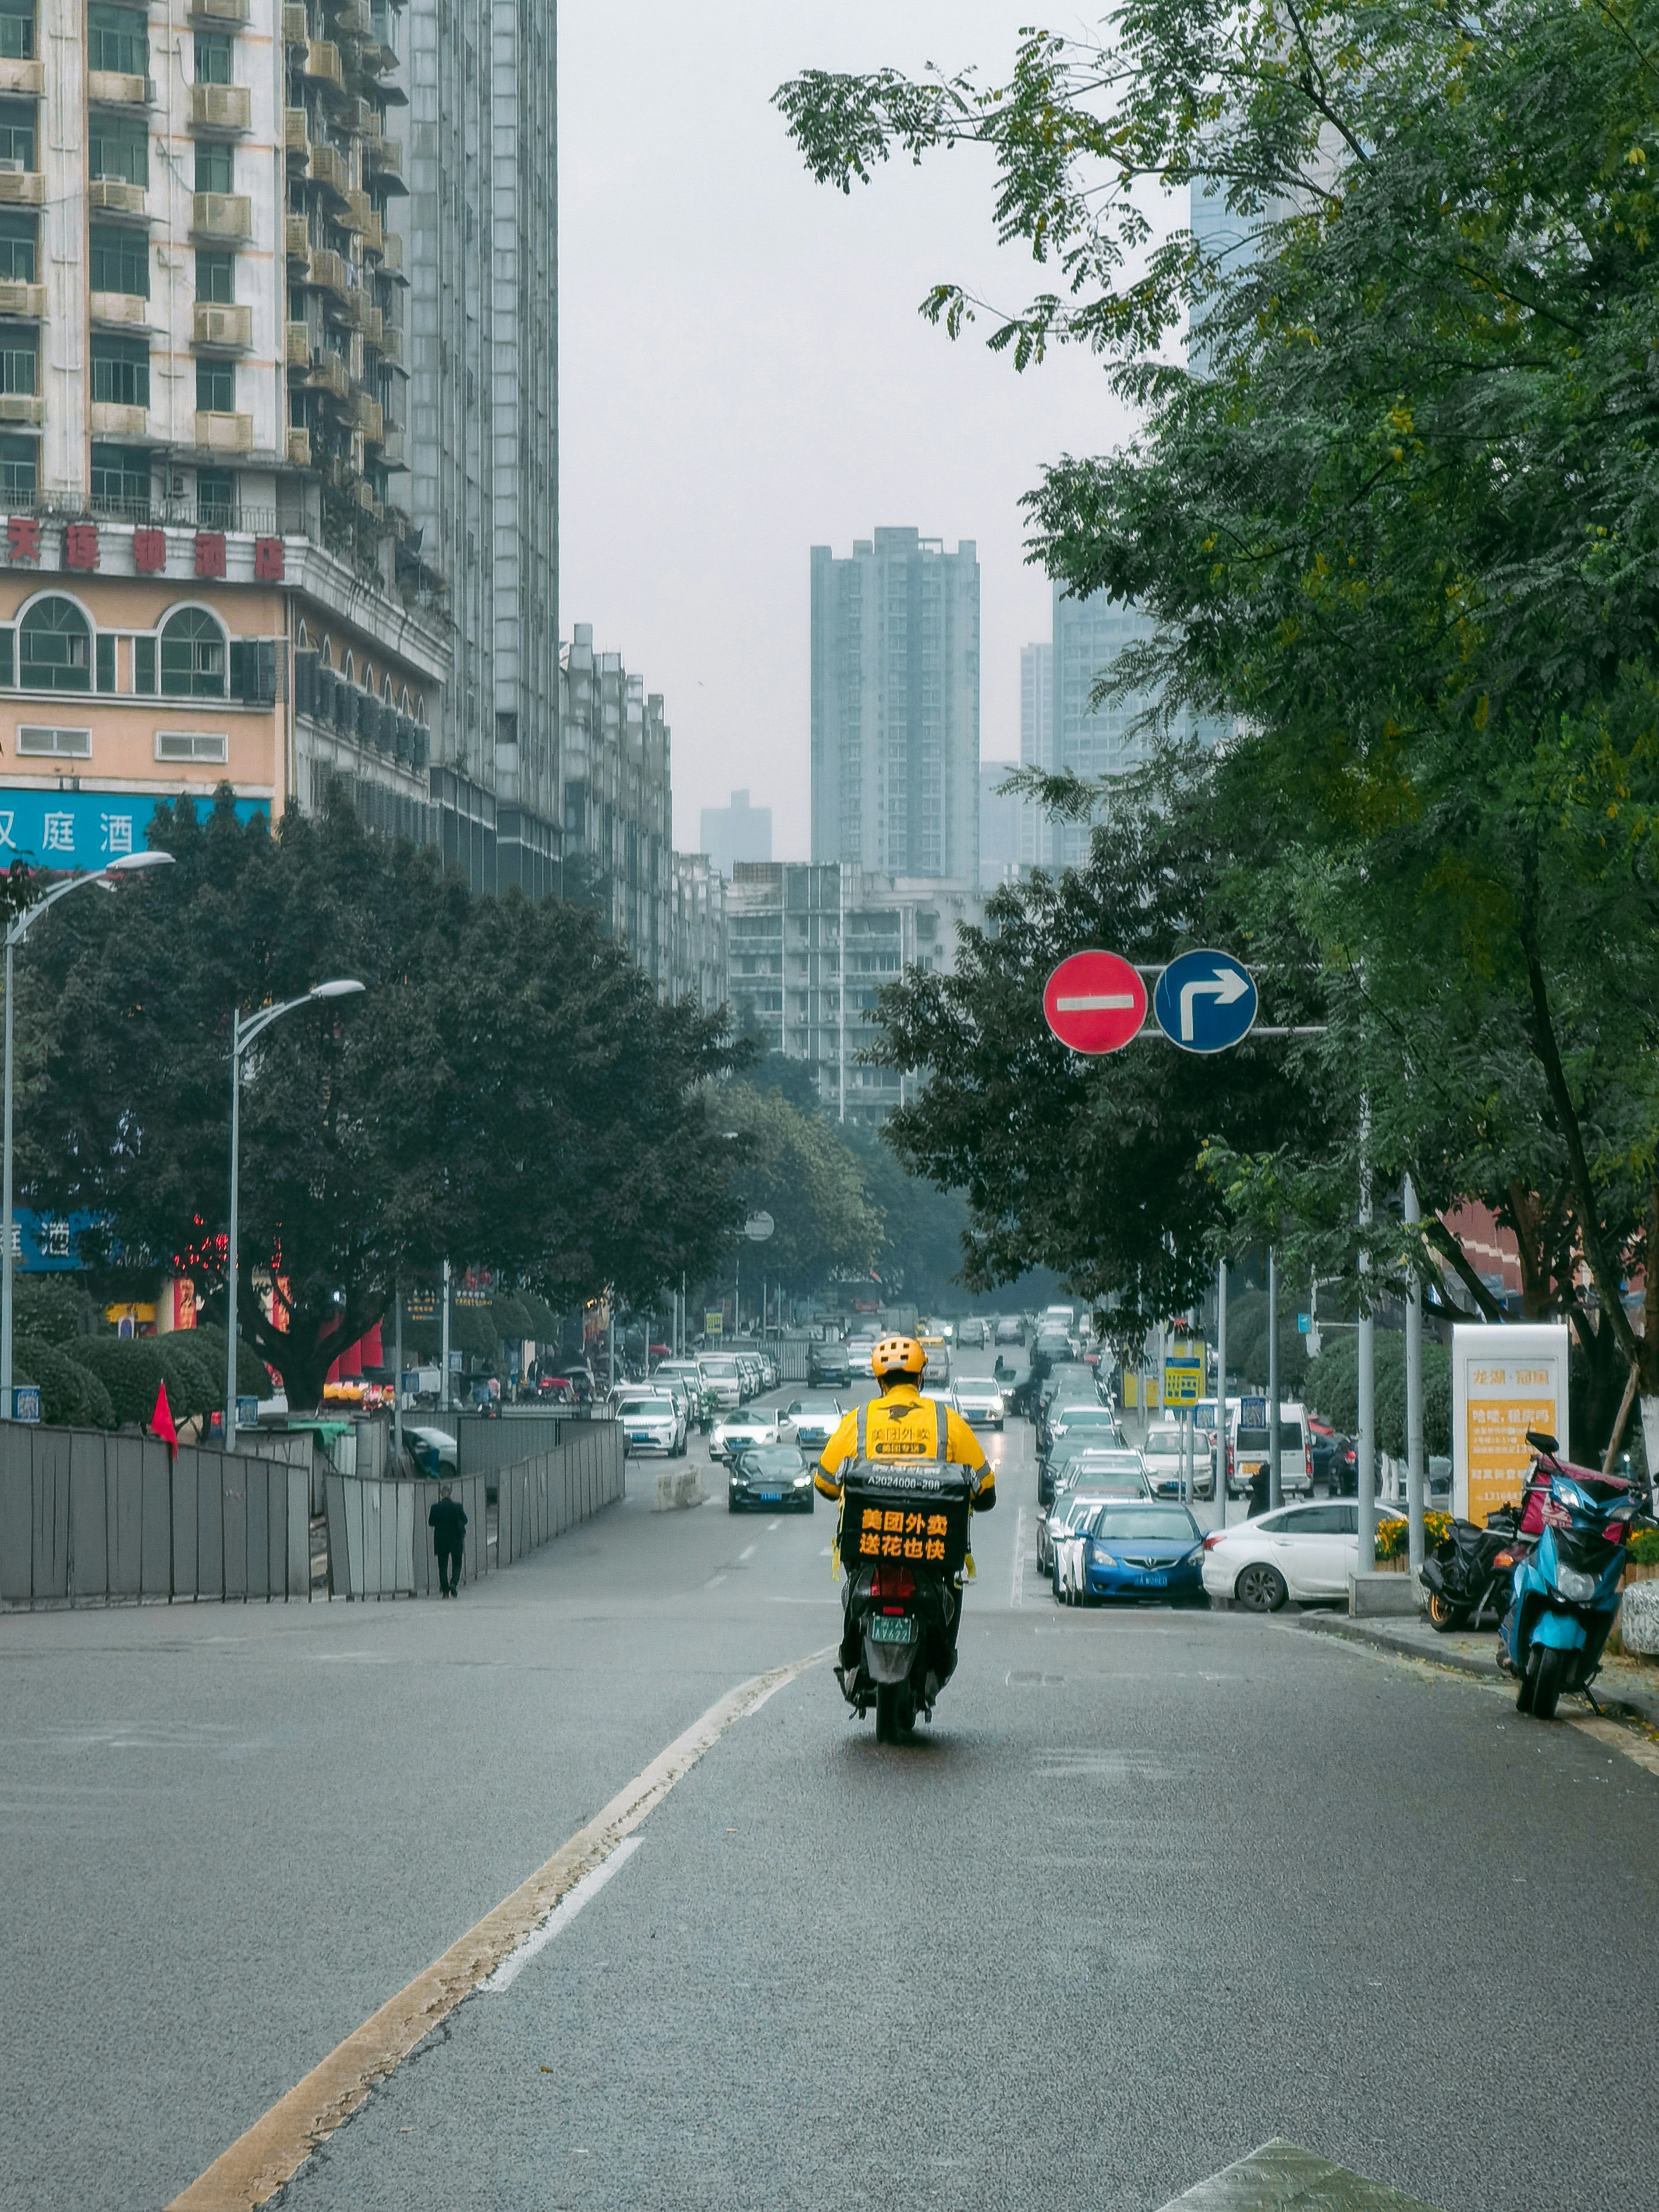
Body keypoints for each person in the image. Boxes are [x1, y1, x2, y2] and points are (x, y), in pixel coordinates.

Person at [814, 1335, 995, 1693]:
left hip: (868, 1546)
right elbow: (985, 1489)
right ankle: (939, 1665)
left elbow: (824, 1483)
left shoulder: (859, 1420)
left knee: (852, 1591)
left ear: (880, 1381)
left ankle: (851, 1658)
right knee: (953, 1590)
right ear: (920, 1378)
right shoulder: (947, 1422)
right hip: (932, 1553)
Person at [428, 1481, 467, 1598]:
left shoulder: (435, 1508)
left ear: (441, 1495)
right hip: (456, 1539)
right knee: (457, 1563)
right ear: (450, 1494)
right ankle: (454, 1583)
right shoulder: (458, 1507)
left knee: (443, 1565)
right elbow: (465, 1521)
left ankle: (445, 1590)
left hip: (441, 1540)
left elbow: (431, 1522)